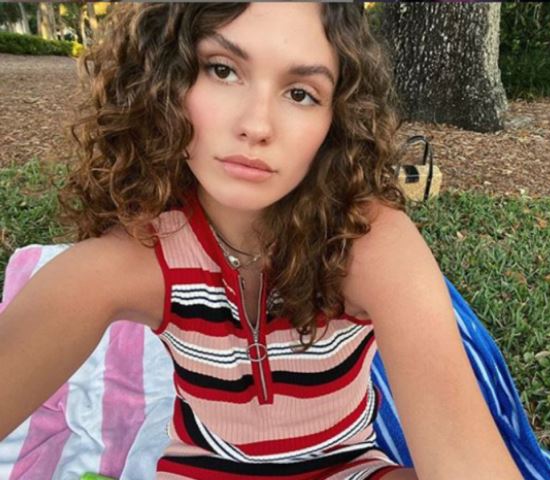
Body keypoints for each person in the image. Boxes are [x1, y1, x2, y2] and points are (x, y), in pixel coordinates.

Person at [0, 3, 523, 479]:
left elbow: (467, 463)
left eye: (300, 93)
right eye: (222, 70)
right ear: (166, 82)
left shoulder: (366, 242)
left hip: (349, 469)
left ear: (335, 121)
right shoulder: (136, 257)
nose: (256, 125)